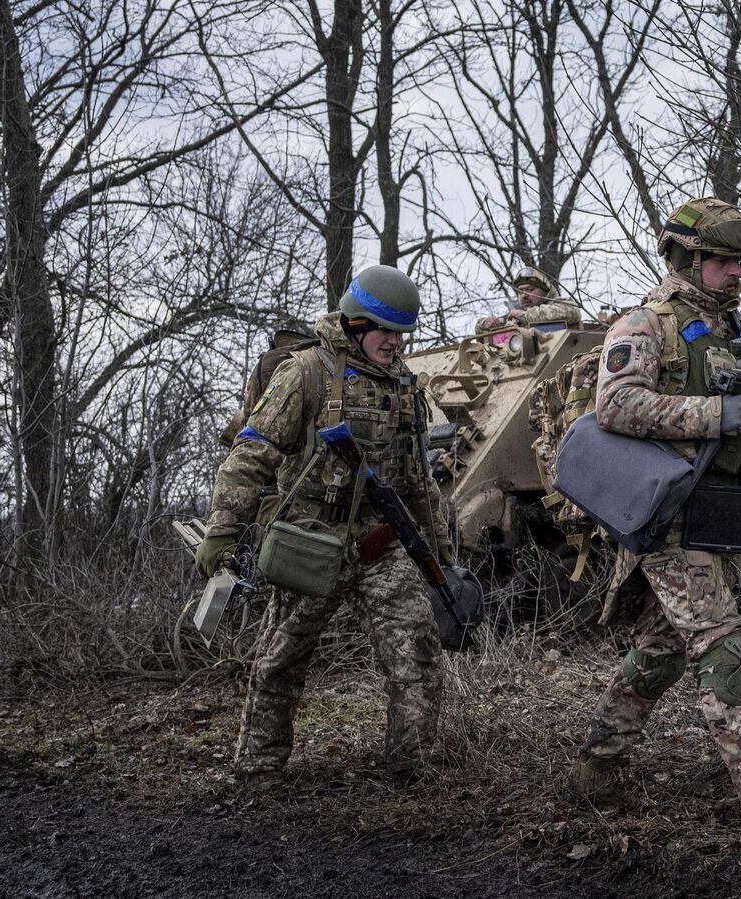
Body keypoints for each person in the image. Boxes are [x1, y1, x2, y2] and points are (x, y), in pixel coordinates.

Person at [568, 198, 741, 831]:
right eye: (723, 261)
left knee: (664, 650)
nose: (737, 272)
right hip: (664, 511)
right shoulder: (646, 325)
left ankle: (596, 764)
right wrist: (709, 415)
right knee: (724, 648)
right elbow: (615, 405)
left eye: (740, 261)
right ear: (688, 259)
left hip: (720, 516)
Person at [196, 264, 450, 791]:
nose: (394, 342)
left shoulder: (405, 384)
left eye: (402, 332)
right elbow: (251, 454)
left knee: (417, 650)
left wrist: (439, 548)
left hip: (382, 543)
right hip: (312, 542)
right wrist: (222, 529)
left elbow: (417, 476)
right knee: (280, 659)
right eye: (384, 329)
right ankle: (260, 770)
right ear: (356, 323)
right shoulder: (306, 372)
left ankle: (413, 767)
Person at [475, 266, 581, 332]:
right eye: (520, 292)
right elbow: (481, 332)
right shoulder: (513, 318)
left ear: (544, 292)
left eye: (530, 290)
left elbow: (572, 311)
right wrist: (484, 323)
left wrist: (525, 316)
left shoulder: (560, 306)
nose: (524, 295)